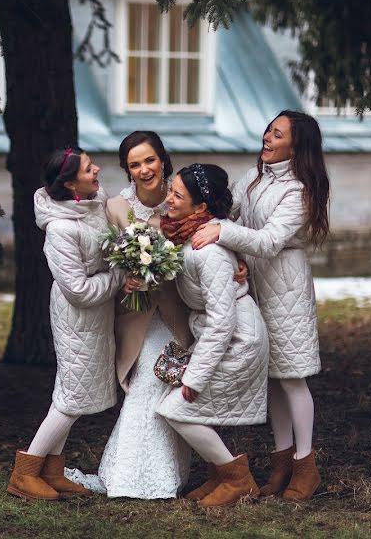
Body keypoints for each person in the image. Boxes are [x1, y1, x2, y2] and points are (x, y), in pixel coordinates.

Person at [190, 111, 329, 501]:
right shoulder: (253, 178)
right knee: (271, 377)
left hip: (285, 287)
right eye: (268, 129)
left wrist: (225, 231)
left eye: (278, 134)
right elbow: (229, 216)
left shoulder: (299, 190)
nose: (267, 137)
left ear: (296, 146)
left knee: (293, 376)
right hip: (254, 284)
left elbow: (269, 241)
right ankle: (281, 463)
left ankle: (306, 466)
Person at [74, 131, 194, 498]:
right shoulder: (115, 208)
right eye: (135, 165)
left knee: (170, 383)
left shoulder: (183, 196)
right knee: (146, 382)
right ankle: (128, 475)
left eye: (150, 160)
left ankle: (169, 472)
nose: (144, 170)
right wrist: (125, 278)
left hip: (178, 311)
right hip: (136, 315)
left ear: (163, 159)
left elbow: (213, 229)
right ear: (127, 171)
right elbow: (103, 260)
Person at [7, 147, 129, 501]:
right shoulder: (60, 229)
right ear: (71, 183)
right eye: (89, 169)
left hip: (97, 315)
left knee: (67, 390)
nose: (97, 171)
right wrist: (119, 276)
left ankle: (52, 470)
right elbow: (77, 290)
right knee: (73, 398)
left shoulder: (92, 202)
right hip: (77, 316)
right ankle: (24, 472)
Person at [155, 163, 270, 508]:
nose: (169, 199)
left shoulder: (209, 251)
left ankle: (237, 479)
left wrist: (196, 373)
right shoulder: (189, 234)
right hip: (219, 335)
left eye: (178, 195)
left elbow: (222, 321)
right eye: (171, 191)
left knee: (177, 410)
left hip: (238, 341)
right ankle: (220, 475)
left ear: (202, 208)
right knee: (191, 411)